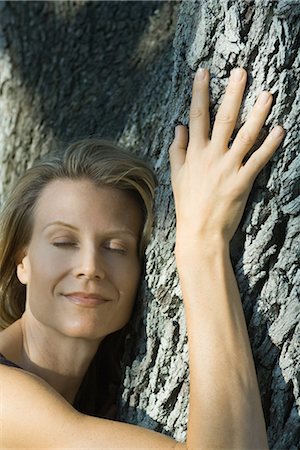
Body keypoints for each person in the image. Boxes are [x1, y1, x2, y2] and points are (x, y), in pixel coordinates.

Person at [0, 68, 284, 449]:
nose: (90, 267)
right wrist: (201, 244)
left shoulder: (101, 391)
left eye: (117, 247)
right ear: (23, 262)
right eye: (64, 241)